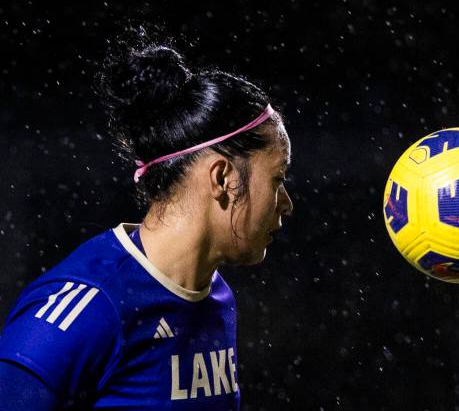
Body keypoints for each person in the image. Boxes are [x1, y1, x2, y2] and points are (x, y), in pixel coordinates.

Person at [0, 39, 294, 409]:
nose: (287, 204)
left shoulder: (217, 298)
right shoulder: (92, 307)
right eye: (277, 179)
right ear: (222, 178)